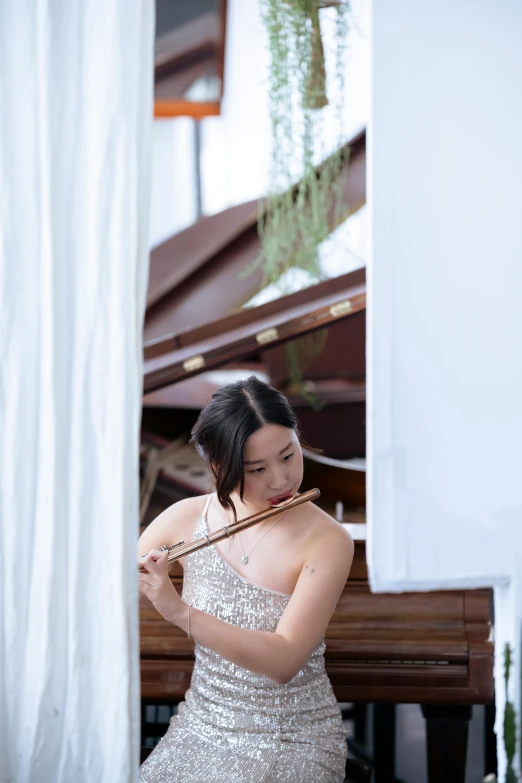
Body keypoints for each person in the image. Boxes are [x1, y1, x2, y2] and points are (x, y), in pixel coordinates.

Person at [138, 376, 354, 783]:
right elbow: (115, 585)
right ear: (220, 466)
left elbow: (283, 660)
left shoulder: (328, 541)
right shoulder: (186, 518)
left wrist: (178, 611)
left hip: (295, 739)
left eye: (288, 456)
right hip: (201, 727)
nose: (280, 480)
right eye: (257, 469)